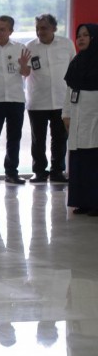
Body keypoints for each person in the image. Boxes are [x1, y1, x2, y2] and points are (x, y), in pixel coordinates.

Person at [25, 14, 76, 183]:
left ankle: (57, 171)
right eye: (38, 28)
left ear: (54, 28)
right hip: (37, 100)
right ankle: (39, 171)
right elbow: (24, 73)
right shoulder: (29, 47)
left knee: (60, 138)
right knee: (38, 139)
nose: (40, 31)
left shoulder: (66, 44)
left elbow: (73, 69)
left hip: (62, 99)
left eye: (44, 28)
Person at [0, 15, 31, 185]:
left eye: (3, 29)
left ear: (11, 31)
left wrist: (24, 65)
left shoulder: (20, 48)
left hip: (16, 100)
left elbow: (26, 74)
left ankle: (11, 173)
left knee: (14, 138)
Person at [63, 23, 98, 216]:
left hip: (94, 118)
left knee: (94, 160)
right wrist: (65, 114)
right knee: (79, 161)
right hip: (77, 118)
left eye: (86, 35)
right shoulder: (76, 62)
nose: (81, 39)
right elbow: (69, 91)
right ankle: (83, 201)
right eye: (79, 36)